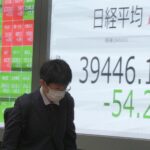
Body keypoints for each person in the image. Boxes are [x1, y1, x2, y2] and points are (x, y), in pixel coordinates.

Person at [2, 59, 77, 150]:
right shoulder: (24, 104)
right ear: (43, 83)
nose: (60, 93)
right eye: (57, 89)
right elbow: (9, 144)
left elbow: (69, 138)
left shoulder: (67, 101)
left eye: (64, 88)